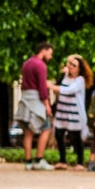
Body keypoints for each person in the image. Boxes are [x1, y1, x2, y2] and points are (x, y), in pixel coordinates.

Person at [17, 42, 54, 170]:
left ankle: (28, 161)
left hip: (25, 98)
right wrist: (47, 105)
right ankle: (39, 159)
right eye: (50, 52)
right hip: (36, 99)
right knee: (46, 128)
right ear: (44, 50)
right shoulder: (40, 65)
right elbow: (42, 88)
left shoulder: (26, 63)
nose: (51, 56)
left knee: (28, 132)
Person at [51, 53, 91, 169]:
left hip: (74, 113)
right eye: (70, 64)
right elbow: (59, 89)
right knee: (59, 134)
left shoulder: (80, 80)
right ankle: (62, 161)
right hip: (62, 112)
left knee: (76, 137)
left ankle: (80, 162)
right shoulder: (64, 77)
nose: (70, 66)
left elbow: (69, 90)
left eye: (74, 65)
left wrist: (51, 86)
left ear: (79, 68)